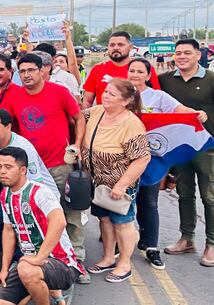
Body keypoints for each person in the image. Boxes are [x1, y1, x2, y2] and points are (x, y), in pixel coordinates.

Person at [8, 53, 88, 281]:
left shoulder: (59, 91)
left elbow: (79, 117)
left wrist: (76, 145)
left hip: (60, 164)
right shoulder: (15, 96)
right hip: (32, 168)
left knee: (69, 213)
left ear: (43, 70)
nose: (26, 75)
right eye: (22, 71)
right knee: (38, 214)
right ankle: (45, 257)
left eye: (31, 70)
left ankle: (77, 260)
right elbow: (11, 127)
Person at [127, 58, 205, 270]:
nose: (135, 75)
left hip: (151, 159)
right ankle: (120, 245)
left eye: (139, 71)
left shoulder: (158, 96)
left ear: (148, 75)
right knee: (122, 203)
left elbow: (180, 109)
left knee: (149, 202)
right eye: (131, 71)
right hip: (123, 158)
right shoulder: (120, 95)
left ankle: (150, 246)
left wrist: (197, 114)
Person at [159, 39, 214, 267]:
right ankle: (187, 238)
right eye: (178, 53)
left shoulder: (213, 80)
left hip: (206, 148)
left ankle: (212, 244)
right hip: (179, 148)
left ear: (198, 55)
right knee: (185, 194)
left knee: (210, 197)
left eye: (187, 53)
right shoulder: (165, 80)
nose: (182, 57)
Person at [77, 78, 150, 283]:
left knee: (122, 223)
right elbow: (76, 116)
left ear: (126, 101)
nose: (105, 96)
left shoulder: (131, 123)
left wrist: (121, 185)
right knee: (105, 220)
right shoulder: (97, 111)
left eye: (112, 94)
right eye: (106, 92)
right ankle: (109, 257)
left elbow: (142, 158)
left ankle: (124, 263)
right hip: (98, 181)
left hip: (119, 184)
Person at [0, 147, 85, 305]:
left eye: (8, 167)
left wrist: (40, 257)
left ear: (23, 170)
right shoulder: (5, 194)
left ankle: (50, 293)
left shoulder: (39, 192)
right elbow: (8, 231)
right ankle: (52, 293)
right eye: (0, 167)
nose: (2, 172)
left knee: (26, 269)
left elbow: (59, 221)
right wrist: (4, 268)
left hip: (62, 263)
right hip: (30, 263)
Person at [0, 109, 59, 255]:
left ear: (8, 127)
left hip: (36, 198)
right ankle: (19, 254)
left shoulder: (23, 148)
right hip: (9, 195)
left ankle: (31, 256)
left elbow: (36, 186)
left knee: (30, 235)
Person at [82, 31, 160, 108]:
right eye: (112, 45)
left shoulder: (144, 68)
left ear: (130, 47)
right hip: (106, 118)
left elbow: (157, 99)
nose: (116, 48)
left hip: (136, 118)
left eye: (120, 45)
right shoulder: (97, 69)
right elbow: (87, 102)